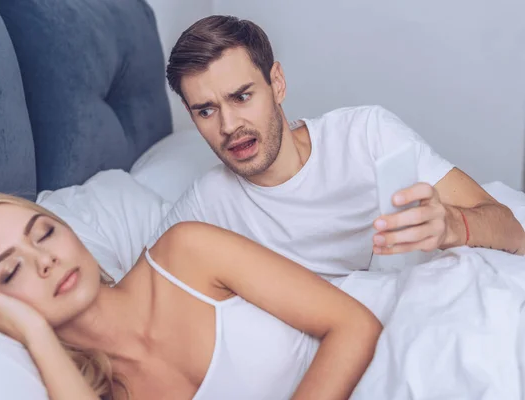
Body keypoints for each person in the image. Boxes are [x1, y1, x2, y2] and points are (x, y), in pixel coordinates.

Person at [153, 15, 525, 279]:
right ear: (190, 114)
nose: (229, 126)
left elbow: (511, 230)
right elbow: (135, 299)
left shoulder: (366, 134)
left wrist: (451, 226)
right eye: (206, 110)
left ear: (277, 84)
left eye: (242, 96)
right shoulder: (205, 206)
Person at [0, 193, 382, 400]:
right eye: (11, 271)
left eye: (44, 232)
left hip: (399, 354)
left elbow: (354, 324)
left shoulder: (185, 253)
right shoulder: (96, 390)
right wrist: (35, 335)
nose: (44, 260)